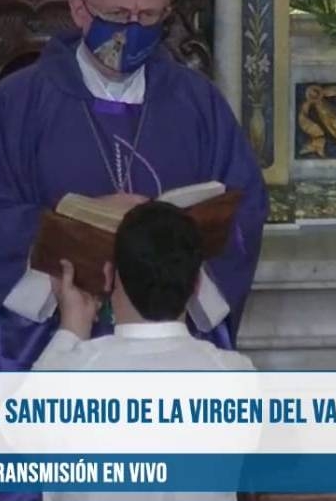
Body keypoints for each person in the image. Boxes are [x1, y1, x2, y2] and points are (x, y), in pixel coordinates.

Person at [0, 0, 268, 374]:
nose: (133, 29)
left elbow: (245, 205)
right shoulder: (18, 103)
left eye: (149, 16)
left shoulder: (197, 102)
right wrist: (68, 226)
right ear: (80, 10)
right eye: (118, 15)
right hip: (55, 330)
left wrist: (173, 236)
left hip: (170, 337)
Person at [34, 201, 254, 501]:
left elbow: (16, 439)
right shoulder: (237, 377)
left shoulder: (68, 377)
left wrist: (72, 327)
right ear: (197, 285)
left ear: (110, 276)